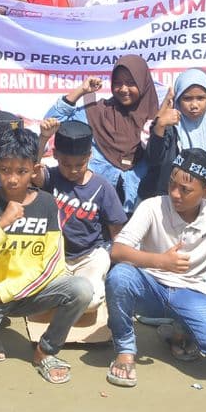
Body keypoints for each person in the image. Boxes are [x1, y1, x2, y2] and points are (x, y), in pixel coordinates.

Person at [104, 150, 206, 387]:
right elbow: (117, 251)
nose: (174, 193)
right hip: (150, 287)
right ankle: (125, 349)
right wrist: (161, 261)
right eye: (172, 184)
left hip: (191, 292)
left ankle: (177, 331)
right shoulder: (152, 207)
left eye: (185, 190)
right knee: (119, 277)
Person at [0, 127, 92, 383]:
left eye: (22, 171)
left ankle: (46, 350)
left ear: (35, 170)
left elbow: (51, 266)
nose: (13, 179)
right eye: (5, 170)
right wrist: (1, 225)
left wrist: (4, 291)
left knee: (81, 289)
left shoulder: (47, 203)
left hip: (26, 293)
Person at [48, 58, 157, 210]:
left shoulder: (158, 121)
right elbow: (51, 121)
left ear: (143, 82)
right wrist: (81, 91)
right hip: (93, 212)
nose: (123, 89)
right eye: (117, 83)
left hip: (139, 213)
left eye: (131, 83)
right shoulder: (97, 113)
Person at [44, 122, 126, 326]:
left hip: (90, 254)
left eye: (79, 165)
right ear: (55, 155)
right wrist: (43, 138)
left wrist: (120, 267)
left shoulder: (102, 187)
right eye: (66, 164)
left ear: (89, 156)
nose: (73, 170)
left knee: (89, 301)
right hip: (55, 254)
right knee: (39, 295)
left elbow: (117, 232)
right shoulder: (49, 177)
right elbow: (31, 171)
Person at [143, 69, 206, 193]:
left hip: (200, 200)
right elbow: (153, 159)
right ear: (178, 100)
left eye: (200, 98)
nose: (194, 105)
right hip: (166, 197)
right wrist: (160, 125)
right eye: (187, 98)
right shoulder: (170, 128)